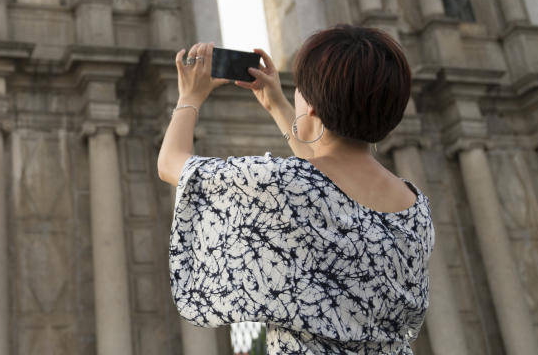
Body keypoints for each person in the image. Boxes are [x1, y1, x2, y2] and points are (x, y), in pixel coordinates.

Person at [158, 25, 433, 354]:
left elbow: (171, 163)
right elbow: (325, 187)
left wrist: (189, 97)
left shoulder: (279, 182)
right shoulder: (416, 208)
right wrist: (277, 105)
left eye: (299, 91)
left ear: (313, 106)